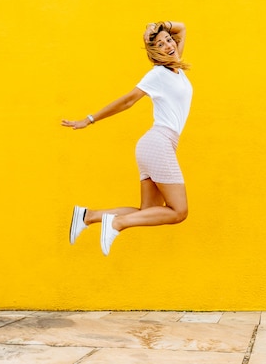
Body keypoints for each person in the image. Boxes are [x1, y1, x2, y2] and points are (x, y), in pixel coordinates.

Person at [61, 21, 193, 256]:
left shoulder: (175, 69)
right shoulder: (158, 75)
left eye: (169, 40)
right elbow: (127, 100)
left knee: (148, 210)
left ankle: (89, 216)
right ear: (154, 54)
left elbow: (181, 28)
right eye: (160, 44)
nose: (168, 45)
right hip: (159, 143)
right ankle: (116, 224)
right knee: (178, 212)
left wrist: (158, 26)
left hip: (156, 146)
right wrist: (89, 119)